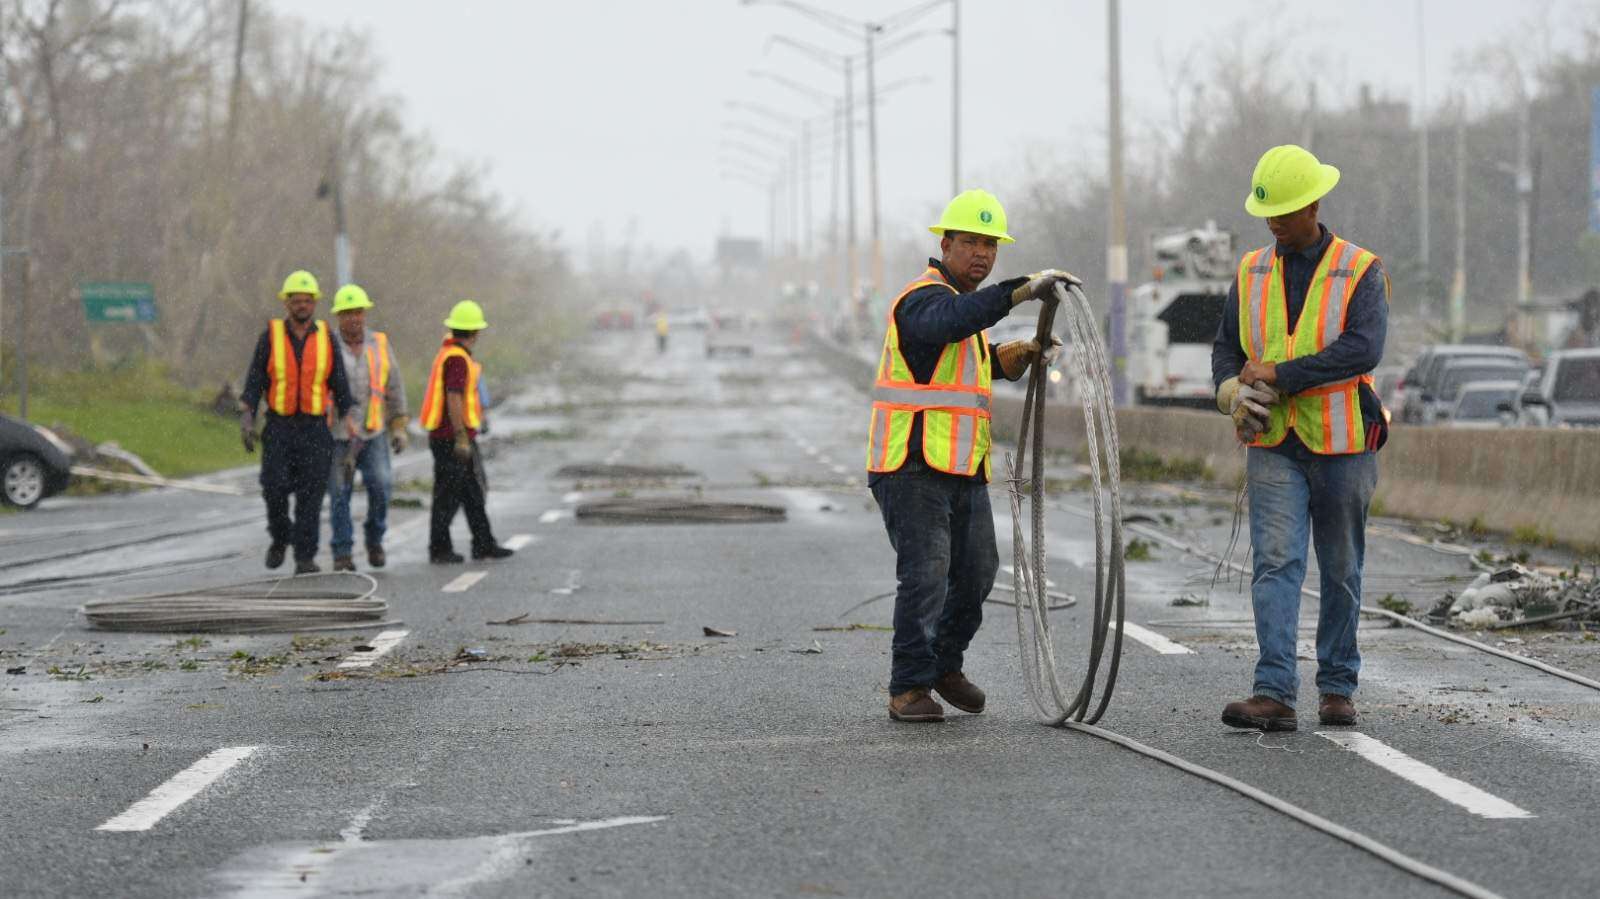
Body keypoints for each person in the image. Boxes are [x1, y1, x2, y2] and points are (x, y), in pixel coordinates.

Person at [867, 188, 1075, 723]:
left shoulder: (961, 311)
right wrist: (1019, 292)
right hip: (910, 467)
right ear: (946, 244)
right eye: (971, 243)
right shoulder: (923, 300)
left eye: (990, 245)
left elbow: (971, 360)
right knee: (926, 573)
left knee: (979, 570)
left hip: (960, 468)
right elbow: (950, 323)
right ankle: (909, 685)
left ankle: (943, 664)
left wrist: (1017, 355)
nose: (981, 254)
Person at [1211, 145, 1390, 732]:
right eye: (1268, 214)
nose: (1274, 223)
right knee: (1277, 562)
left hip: (1342, 443)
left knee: (1340, 567)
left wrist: (1283, 375)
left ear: (1314, 204)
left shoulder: (1360, 270)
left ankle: (1337, 686)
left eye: (1285, 212)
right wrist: (1230, 392)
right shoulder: (1252, 269)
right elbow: (1227, 350)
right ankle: (1274, 691)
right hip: (1273, 441)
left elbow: (1363, 349)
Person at [239, 270, 356, 575]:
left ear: (314, 304)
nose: (302, 306)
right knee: (273, 488)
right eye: (296, 301)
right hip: (279, 427)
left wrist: (351, 421)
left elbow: (340, 384)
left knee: (311, 495)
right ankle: (280, 537)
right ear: (287, 304)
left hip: (316, 429)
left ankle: (305, 557)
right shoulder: (271, 336)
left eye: (307, 301)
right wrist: (247, 418)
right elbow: (254, 381)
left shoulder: (327, 338)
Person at [419, 300, 513, 564]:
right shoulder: (458, 359)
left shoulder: (449, 353)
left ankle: (483, 543)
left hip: (451, 435)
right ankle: (439, 547)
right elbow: (454, 397)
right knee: (447, 494)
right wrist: (460, 435)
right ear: (475, 332)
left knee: (471, 491)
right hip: (451, 437)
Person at [325, 284, 409, 571]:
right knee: (339, 493)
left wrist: (398, 425)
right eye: (347, 313)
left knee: (381, 485)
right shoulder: (326, 344)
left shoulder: (380, 344)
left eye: (358, 312)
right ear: (338, 316)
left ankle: (375, 538)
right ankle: (342, 552)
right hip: (338, 434)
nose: (354, 318)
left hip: (373, 432)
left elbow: (394, 386)